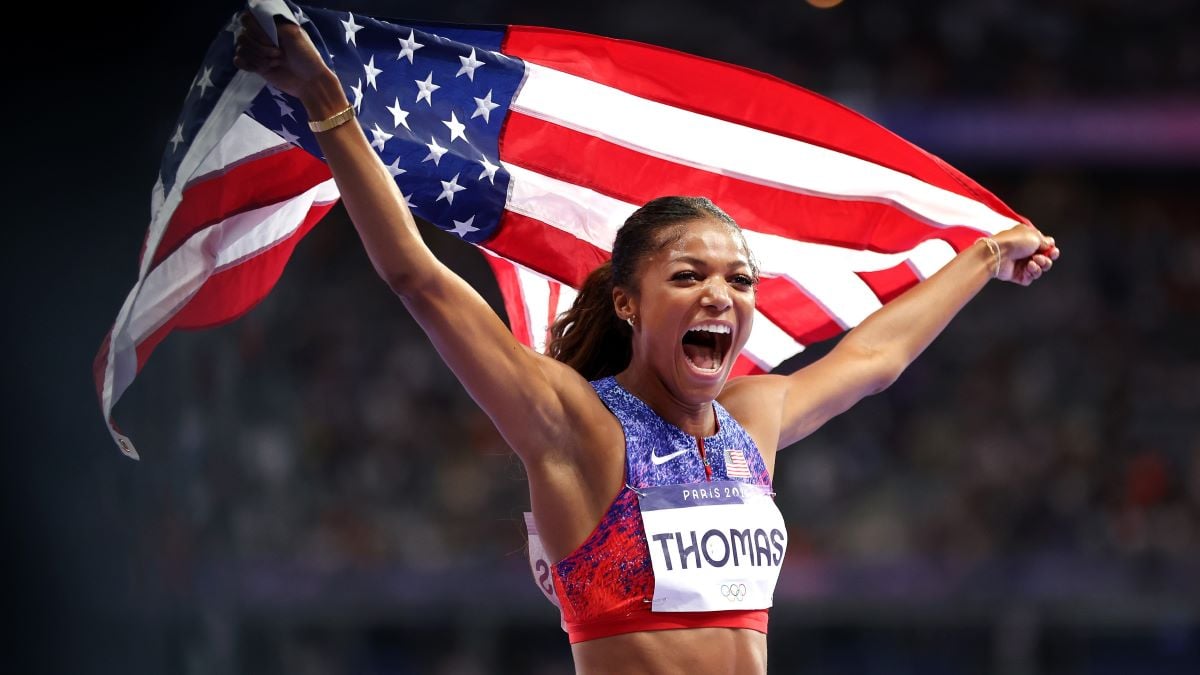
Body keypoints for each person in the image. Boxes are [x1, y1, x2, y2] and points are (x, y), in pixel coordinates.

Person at [234, 12, 1059, 674]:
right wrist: (329, 108)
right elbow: (420, 280)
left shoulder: (751, 419)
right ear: (628, 302)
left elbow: (874, 360)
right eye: (690, 275)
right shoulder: (574, 425)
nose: (722, 294)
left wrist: (985, 254)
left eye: (739, 280)